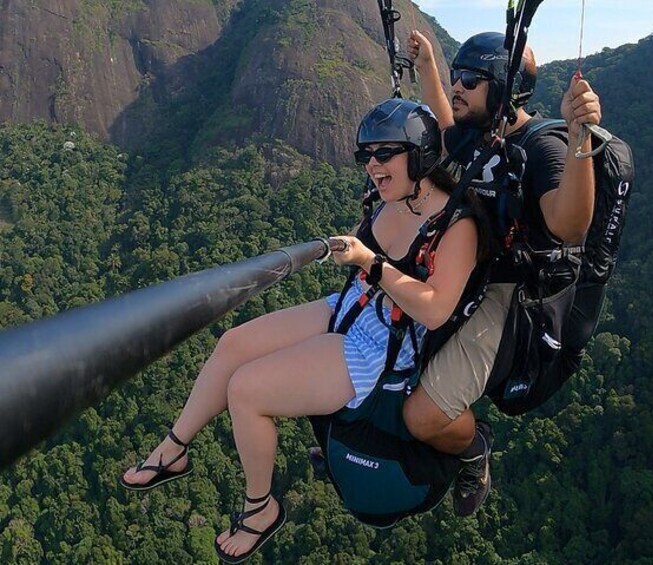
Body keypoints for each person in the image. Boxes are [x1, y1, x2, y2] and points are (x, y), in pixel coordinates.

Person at [119, 99, 486, 562]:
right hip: (351, 308)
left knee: (247, 391)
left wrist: (367, 261)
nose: (372, 165)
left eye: (384, 153)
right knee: (233, 344)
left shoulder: (456, 225)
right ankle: (174, 450)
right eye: (364, 155)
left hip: (381, 348)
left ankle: (260, 510)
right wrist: (357, 257)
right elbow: (364, 269)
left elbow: (435, 311)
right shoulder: (388, 198)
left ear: (420, 155)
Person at [403, 30, 603, 516]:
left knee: (424, 416)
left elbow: (569, 223)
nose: (457, 86)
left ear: (503, 90)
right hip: (464, 267)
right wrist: (430, 64)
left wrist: (580, 142)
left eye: (470, 79)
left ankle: (474, 451)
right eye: (456, 76)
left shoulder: (544, 146)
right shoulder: (480, 131)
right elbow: (447, 127)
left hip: (510, 292)